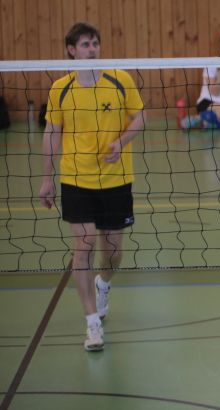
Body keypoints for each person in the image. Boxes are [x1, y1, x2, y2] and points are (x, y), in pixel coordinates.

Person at [39, 22, 146, 351]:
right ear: (71, 50)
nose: (92, 49)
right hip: (76, 179)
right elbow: (51, 133)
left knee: (112, 253)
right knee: (83, 245)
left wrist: (121, 142)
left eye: (95, 43)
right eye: (85, 44)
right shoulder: (60, 88)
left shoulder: (120, 79)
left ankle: (104, 283)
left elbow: (140, 118)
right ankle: (92, 322)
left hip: (116, 179)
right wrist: (46, 178)